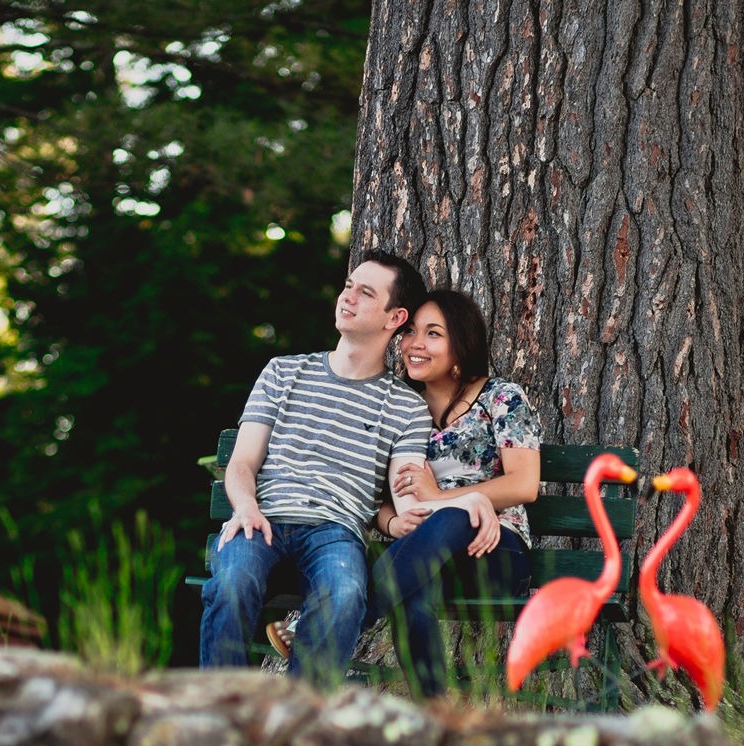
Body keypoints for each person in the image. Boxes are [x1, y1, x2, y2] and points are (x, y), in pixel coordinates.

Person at [271, 289, 540, 697]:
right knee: (411, 596)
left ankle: (317, 626)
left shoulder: (501, 397)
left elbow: (524, 485)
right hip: (419, 555)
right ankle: (434, 717)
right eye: (411, 331)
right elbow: (374, 500)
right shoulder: (396, 404)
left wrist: (439, 499)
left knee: (457, 516)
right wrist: (392, 521)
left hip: (494, 551)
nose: (415, 344)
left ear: (461, 343)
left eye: (433, 334)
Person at [197, 249, 432, 684]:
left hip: (335, 532)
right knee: (231, 584)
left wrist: (424, 509)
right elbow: (242, 463)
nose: (348, 297)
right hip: (262, 518)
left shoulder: (406, 407)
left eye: (365, 293)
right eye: (348, 287)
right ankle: (217, 711)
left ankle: (299, 722)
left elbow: (405, 491)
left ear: (394, 318)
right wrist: (246, 507)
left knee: (345, 593)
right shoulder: (283, 372)